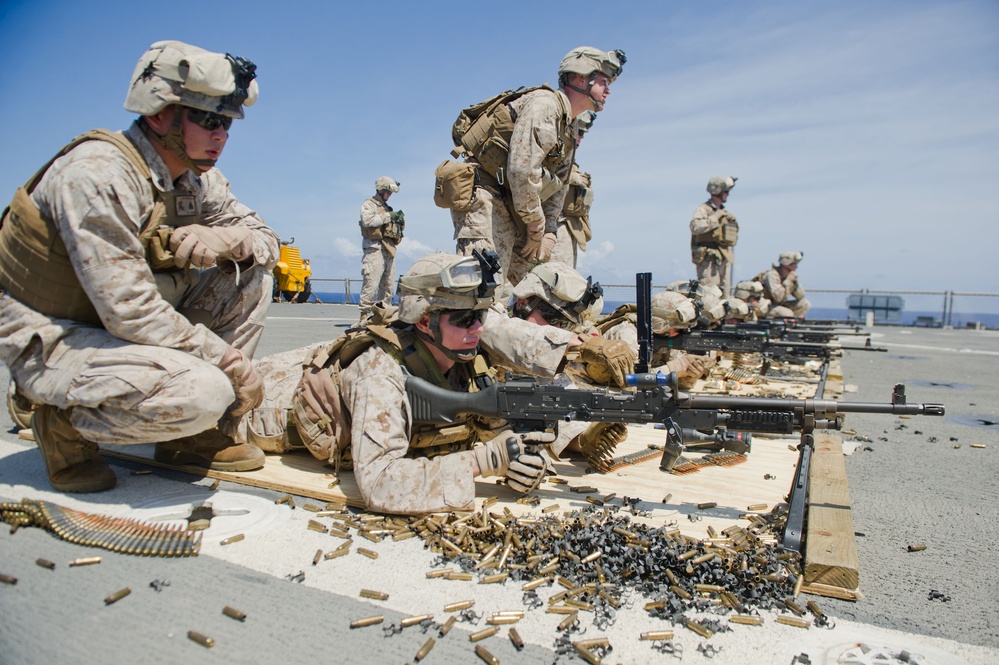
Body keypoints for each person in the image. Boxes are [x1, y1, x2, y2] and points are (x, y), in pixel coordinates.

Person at [0, 40, 277, 493]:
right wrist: (231, 365)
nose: (221, 135)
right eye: (208, 120)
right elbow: (132, 311)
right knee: (203, 391)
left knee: (249, 276)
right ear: (158, 115)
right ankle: (64, 419)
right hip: (54, 333)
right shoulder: (98, 174)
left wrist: (229, 238)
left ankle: (191, 437)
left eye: (226, 123)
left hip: (119, 330)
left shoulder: (195, 179)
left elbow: (267, 240)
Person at [232, 252, 635, 515]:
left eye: (480, 316)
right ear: (425, 321)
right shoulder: (382, 373)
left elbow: (496, 431)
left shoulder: (466, 359)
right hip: (256, 404)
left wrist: (526, 463)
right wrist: (482, 462)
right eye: (464, 320)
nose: (478, 329)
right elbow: (380, 485)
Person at [448, 47, 625, 298]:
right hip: (487, 197)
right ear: (581, 78)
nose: (608, 90)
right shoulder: (545, 105)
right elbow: (521, 170)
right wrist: (536, 228)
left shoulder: (568, 125)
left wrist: (549, 233)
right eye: (603, 82)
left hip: (517, 207)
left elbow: (558, 187)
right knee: (483, 293)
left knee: (544, 294)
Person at [598, 290, 713, 389]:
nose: (680, 334)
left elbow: (676, 382)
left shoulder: (663, 337)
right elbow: (630, 382)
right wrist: (674, 367)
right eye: (677, 329)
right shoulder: (627, 333)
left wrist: (690, 374)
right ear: (661, 324)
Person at [552, 111, 597, 268]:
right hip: (555, 227)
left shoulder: (569, 159)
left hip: (566, 228)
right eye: (580, 131)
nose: (581, 137)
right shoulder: (554, 155)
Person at [358, 177, 404, 321]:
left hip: (389, 248)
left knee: (388, 285)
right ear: (381, 190)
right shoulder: (369, 205)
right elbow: (367, 221)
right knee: (371, 283)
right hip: (375, 248)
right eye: (388, 192)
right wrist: (388, 216)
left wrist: (398, 220)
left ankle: (383, 316)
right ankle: (364, 316)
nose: (389, 196)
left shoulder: (387, 208)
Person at [690, 176, 738, 296]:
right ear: (717, 191)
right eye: (726, 192)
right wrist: (715, 217)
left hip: (723, 256)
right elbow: (695, 226)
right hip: (708, 259)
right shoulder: (704, 209)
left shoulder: (725, 212)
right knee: (709, 293)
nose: (727, 195)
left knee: (725, 294)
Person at [756, 251, 811, 318]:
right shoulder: (772, 275)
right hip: (765, 306)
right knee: (787, 313)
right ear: (787, 264)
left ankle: (790, 321)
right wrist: (788, 282)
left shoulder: (790, 276)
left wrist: (795, 283)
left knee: (805, 304)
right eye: (794, 264)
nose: (796, 267)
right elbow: (778, 298)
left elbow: (800, 296)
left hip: (778, 305)